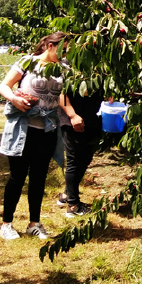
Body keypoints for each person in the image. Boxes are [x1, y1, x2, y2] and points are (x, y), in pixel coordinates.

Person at [0, 31, 67, 240]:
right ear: (50, 46)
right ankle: (6, 224)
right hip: (22, 129)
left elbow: (63, 96)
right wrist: (14, 99)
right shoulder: (28, 63)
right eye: (63, 48)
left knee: (39, 178)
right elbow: (4, 86)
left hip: (47, 131)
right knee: (17, 177)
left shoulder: (64, 70)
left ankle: (34, 223)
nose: (66, 54)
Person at [57, 86, 103, 216]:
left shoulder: (100, 68)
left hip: (91, 119)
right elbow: (61, 94)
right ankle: (73, 205)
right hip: (72, 120)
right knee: (74, 160)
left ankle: (66, 194)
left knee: (85, 158)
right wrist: (72, 115)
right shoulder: (68, 68)